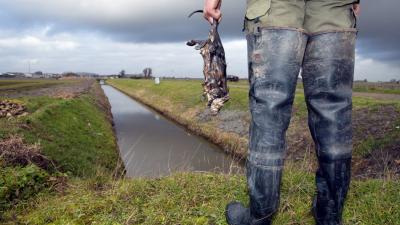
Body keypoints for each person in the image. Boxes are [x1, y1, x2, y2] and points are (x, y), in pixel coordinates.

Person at [203, 0, 360, 224]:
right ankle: (329, 215)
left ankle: (260, 216)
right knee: (333, 110)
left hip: (276, 7)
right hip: (334, 6)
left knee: (270, 109)